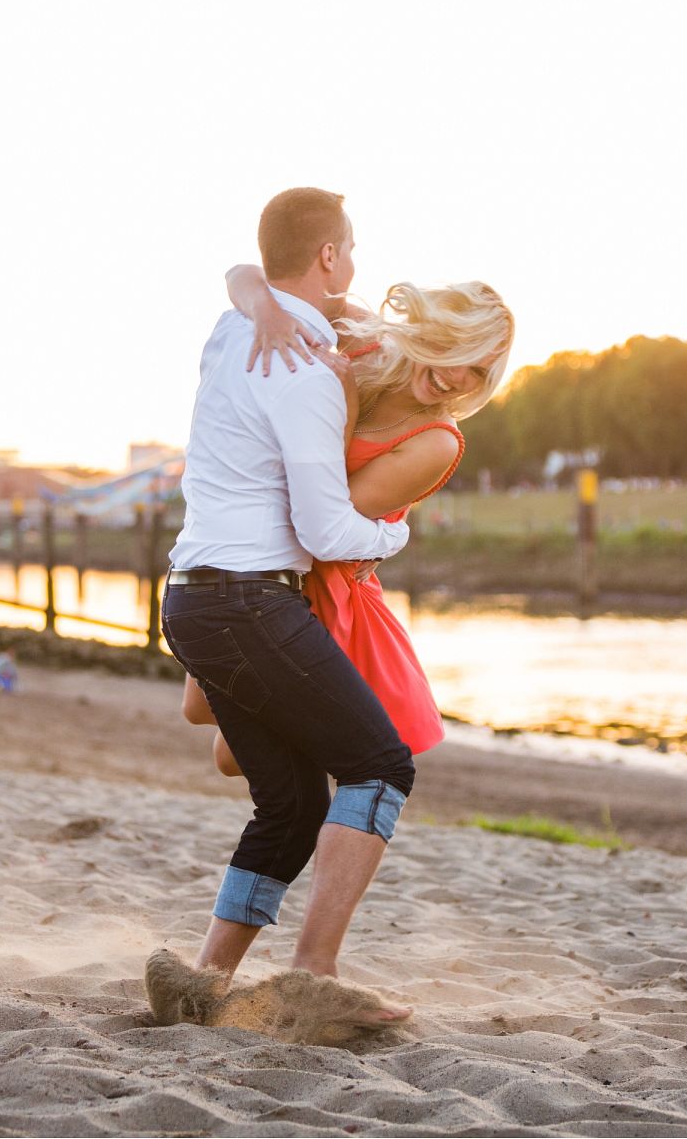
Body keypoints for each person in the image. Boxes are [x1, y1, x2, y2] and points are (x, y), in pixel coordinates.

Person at [150, 188, 419, 1025]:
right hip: (245, 602)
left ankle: (202, 980)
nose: (357, 268)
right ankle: (316, 969)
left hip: (192, 599)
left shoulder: (235, 327)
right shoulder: (302, 370)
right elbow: (326, 528)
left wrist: (261, 290)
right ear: (330, 257)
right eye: (352, 250)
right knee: (381, 762)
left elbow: (246, 278)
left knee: (295, 802)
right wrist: (396, 534)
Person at [181, 268, 512, 779]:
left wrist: (345, 404)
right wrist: (267, 313)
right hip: (263, 550)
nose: (455, 375)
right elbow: (248, 274)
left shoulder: (436, 440)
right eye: (451, 349)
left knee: (233, 757)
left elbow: (328, 516)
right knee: (198, 710)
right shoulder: (362, 335)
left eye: (475, 370)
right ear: (428, 329)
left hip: (323, 579)